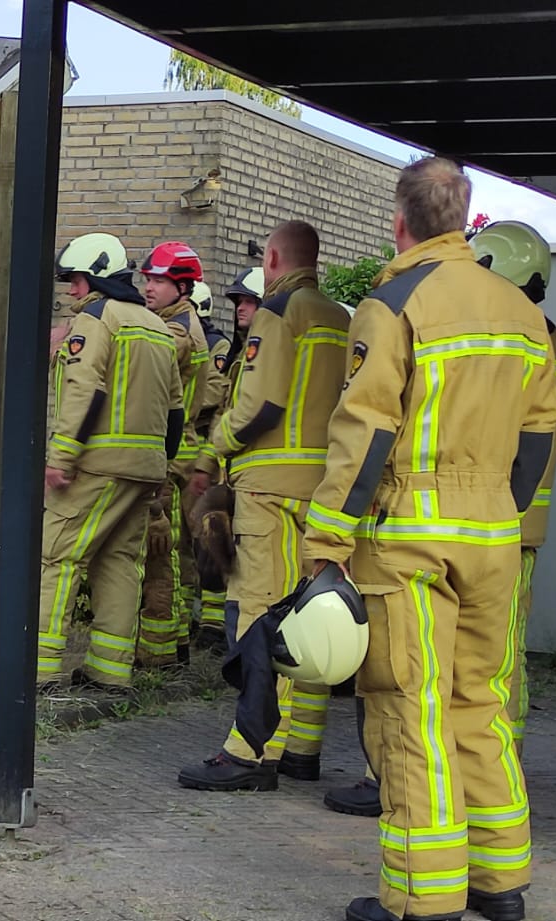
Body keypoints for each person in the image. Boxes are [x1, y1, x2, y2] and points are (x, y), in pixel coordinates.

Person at [302, 158, 556, 921]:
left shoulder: (392, 303)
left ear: (399, 220)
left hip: (410, 538)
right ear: (465, 217)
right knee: (479, 701)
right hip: (492, 536)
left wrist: (328, 540)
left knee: (409, 710)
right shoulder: (521, 310)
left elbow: (364, 429)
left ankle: (423, 896)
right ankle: (501, 882)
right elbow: (540, 432)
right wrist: (496, 508)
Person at [177, 221, 350, 792]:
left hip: (270, 487)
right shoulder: (342, 318)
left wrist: (211, 452)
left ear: (272, 258)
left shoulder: (278, 313)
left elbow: (260, 404)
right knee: (308, 615)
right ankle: (300, 747)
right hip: (322, 487)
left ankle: (247, 754)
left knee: (257, 614)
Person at [0, 232, 182, 693]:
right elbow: (175, 410)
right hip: (146, 469)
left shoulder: (97, 319)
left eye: (75, 280)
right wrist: (162, 465)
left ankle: (34, 670)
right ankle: (109, 672)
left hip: (97, 464)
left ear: (96, 277)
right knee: (118, 562)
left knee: (56, 557)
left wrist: (62, 456)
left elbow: (85, 390)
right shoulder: (156, 326)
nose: (72, 291)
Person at [468, 220, 556, 752]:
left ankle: (492, 762)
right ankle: (498, 759)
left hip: (491, 516)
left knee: (486, 651)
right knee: (500, 648)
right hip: (518, 523)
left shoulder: (519, 346)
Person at [134, 241, 226, 669]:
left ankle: (162, 647)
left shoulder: (177, 333)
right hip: (176, 451)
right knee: (169, 548)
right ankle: (167, 640)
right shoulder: (172, 321)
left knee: (161, 548)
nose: (148, 287)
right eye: (148, 278)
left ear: (183, 288)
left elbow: (139, 365)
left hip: (172, 454)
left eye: (159, 281)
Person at [187, 266, 264, 646]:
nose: (240, 308)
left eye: (249, 301)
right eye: (238, 302)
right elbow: (224, 412)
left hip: (258, 476)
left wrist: (214, 452)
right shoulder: (241, 355)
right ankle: (218, 628)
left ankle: (231, 632)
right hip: (230, 469)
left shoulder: (264, 354)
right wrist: (209, 463)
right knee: (210, 536)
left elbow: (244, 413)